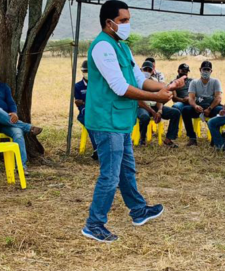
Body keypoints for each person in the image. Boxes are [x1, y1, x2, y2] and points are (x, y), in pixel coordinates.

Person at [81, 0, 186, 242]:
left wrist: (167, 86)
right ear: (109, 23)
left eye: (128, 20)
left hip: (120, 119)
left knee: (126, 170)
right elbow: (119, 86)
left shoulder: (122, 48)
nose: (128, 25)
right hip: (107, 120)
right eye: (123, 21)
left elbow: (138, 79)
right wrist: (155, 97)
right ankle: (94, 224)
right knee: (110, 175)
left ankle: (138, 211)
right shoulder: (102, 47)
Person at [137, 60, 181, 147]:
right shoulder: (137, 81)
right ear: (141, 70)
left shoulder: (155, 81)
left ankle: (169, 139)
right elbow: (139, 101)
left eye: (149, 70)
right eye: (145, 69)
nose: (147, 72)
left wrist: (160, 110)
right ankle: (142, 139)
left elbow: (159, 98)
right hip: (142, 107)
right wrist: (153, 112)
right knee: (144, 117)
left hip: (154, 106)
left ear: (152, 71)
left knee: (175, 113)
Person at [181, 60, 225, 146]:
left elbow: (218, 98)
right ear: (200, 70)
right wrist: (195, 106)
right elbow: (191, 98)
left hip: (211, 107)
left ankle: (215, 137)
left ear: (211, 71)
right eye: (204, 69)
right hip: (199, 107)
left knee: (221, 110)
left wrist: (210, 108)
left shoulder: (216, 81)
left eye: (208, 70)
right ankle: (192, 138)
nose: (205, 72)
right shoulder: (194, 82)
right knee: (185, 110)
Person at [74, 59, 98, 160]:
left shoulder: (98, 84)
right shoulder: (78, 86)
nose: (86, 73)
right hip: (85, 113)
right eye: (84, 71)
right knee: (90, 124)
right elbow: (78, 102)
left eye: (88, 71)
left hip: (98, 111)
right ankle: (97, 149)